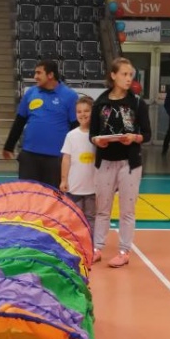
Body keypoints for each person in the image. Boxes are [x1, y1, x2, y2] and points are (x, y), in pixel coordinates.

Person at [89, 57, 152, 268]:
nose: (128, 78)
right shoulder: (100, 103)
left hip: (129, 163)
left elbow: (147, 134)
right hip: (105, 162)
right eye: (124, 74)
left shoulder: (137, 103)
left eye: (130, 75)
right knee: (102, 209)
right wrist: (97, 141)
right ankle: (97, 248)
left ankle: (124, 251)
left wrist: (134, 137)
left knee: (127, 210)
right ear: (113, 75)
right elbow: (92, 133)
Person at [2, 60, 78, 187]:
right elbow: (20, 121)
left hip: (56, 158)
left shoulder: (70, 96)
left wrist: (73, 155)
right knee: (27, 194)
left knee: (52, 196)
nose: (35, 77)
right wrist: (9, 146)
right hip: (29, 156)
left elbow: (75, 127)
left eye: (38, 73)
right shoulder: (30, 93)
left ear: (50, 75)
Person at [60, 96, 97, 235]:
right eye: (79, 111)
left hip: (93, 187)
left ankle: (90, 241)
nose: (83, 114)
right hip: (75, 187)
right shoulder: (71, 135)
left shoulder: (97, 136)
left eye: (87, 111)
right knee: (75, 216)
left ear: (93, 112)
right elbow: (66, 159)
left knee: (91, 216)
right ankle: (77, 241)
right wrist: (64, 180)